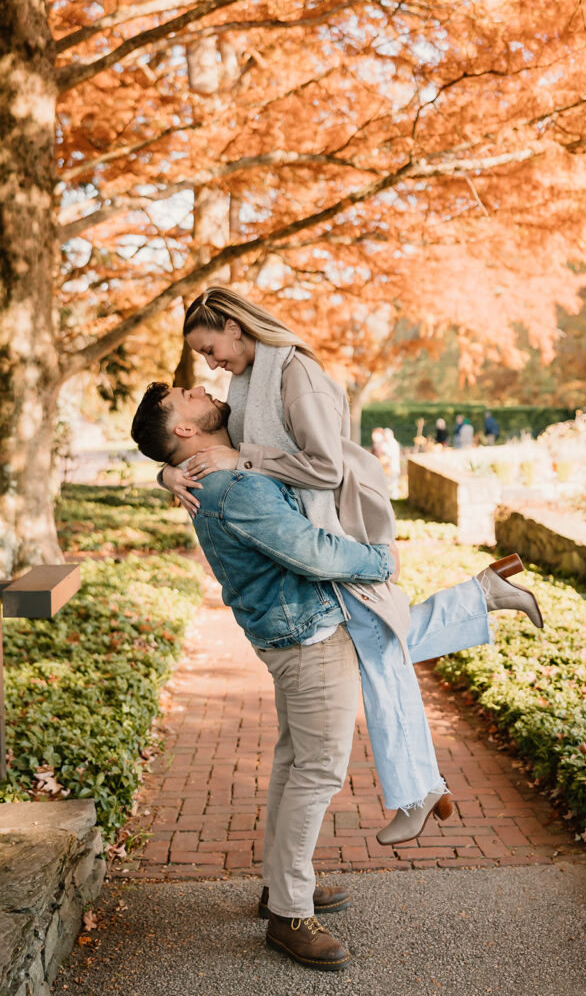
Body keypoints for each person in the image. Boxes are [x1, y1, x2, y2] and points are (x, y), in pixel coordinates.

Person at [131, 382, 542, 971]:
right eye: (187, 395)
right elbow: (313, 552)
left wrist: (163, 475)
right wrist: (382, 559)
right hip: (309, 636)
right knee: (316, 772)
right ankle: (289, 914)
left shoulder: (215, 472)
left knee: (297, 760)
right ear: (185, 432)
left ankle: (282, 889)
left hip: (298, 630)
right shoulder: (232, 487)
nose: (203, 386)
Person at [159, 286, 542, 839]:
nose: (211, 362)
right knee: (385, 638)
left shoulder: (295, 376)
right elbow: (191, 444)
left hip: (338, 522)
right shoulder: (246, 381)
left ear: (237, 328)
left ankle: (416, 791)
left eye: (211, 347)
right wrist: (167, 473)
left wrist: (242, 457)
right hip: (312, 525)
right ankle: (481, 598)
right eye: (204, 357)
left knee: (379, 643)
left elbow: (325, 467)